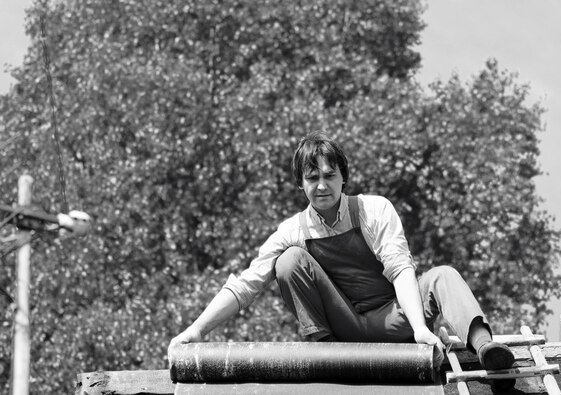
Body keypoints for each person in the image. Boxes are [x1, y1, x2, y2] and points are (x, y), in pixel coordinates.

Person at [169, 132, 515, 374]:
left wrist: (421, 330)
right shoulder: (293, 230)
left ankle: (485, 348)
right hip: (342, 326)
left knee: (443, 274)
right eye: (313, 177)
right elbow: (247, 284)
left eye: (330, 176)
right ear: (300, 183)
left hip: (395, 319)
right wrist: (197, 330)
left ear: (343, 178)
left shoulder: (373, 209)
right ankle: (324, 351)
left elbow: (400, 269)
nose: (322, 185)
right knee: (288, 261)